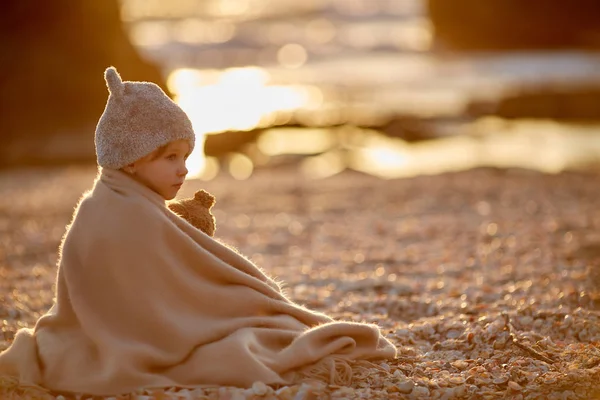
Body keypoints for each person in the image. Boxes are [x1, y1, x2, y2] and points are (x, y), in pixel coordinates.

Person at [0, 67, 396, 397]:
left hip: (108, 331)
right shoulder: (124, 214)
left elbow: (180, 274)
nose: (183, 170)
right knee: (251, 330)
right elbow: (174, 294)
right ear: (131, 159)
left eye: (186, 156)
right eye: (170, 157)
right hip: (131, 337)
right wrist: (239, 303)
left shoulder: (112, 202)